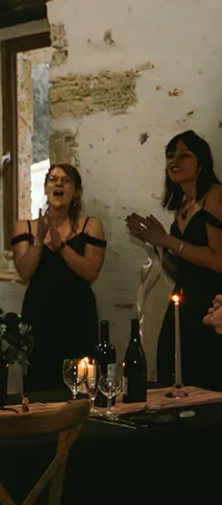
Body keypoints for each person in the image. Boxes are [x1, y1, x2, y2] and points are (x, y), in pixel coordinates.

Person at [128, 130, 222, 391]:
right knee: (175, 372)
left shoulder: (214, 196)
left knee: (206, 378)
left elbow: (218, 261)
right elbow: (179, 270)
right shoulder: (182, 204)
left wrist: (167, 239)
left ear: (201, 163)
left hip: (212, 304)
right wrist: (157, 245)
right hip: (185, 301)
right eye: (170, 156)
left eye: (184, 155)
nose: (174, 162)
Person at [12, 164, 106, 392]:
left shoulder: (91, 225)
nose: (58, 184)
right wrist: (38, 242)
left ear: (77, 191)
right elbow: (24, 273)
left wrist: (61, 246)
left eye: (66, 180)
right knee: (39, 384)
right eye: (53, 179)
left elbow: (90, 272)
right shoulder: (24, 226)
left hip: (77, 314)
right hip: (39, 313)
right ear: (45, 187)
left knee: (79, 384)